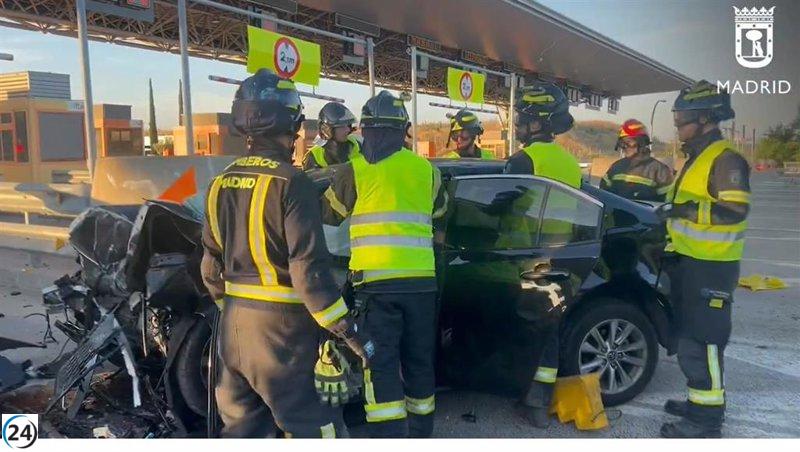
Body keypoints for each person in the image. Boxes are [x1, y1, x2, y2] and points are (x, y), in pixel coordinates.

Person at [201, 69, 371, 438]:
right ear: (289, 123)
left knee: (245, 431)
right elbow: (308, 274)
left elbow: (211, 271)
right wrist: (350, 333)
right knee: (318, 429)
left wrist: (236, 314)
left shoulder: (219, 183)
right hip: (284, 336)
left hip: (232, 330)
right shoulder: (292, 183)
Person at [322, 90, 448, 438]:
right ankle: (422, 433)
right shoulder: (427, 170)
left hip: (376, 288)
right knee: (420, 362)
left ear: (365, 129)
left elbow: (328, 215)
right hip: (422, 285)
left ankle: (389, 438)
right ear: (404, 129)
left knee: (380, 365)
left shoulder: (355, 171)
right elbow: (439, 213)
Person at [657, 80, 750, 438]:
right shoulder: (697, 157)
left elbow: (734, 210)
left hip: (712, 266)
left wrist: (682, 208)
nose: (678, 126)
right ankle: (699, 402)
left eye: (682, 120)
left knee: (704, 340)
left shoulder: (726, 159)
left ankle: (706, 420)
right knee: (688, 338)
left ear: (705, 118)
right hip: (691, 262)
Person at [503, 81, 581, 429]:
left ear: (539, 122)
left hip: (528, 260)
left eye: (523, 119)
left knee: (529, 330)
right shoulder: (570, 163)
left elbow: (506, 211)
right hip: (563, 258)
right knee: (549, 330)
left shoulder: (523, 160)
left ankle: (530, 402)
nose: (519, 125)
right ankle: (539, 399)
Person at [600, 119, 674, 201]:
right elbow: (602, 195)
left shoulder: (660, 171)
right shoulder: (616, 167)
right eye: (622, 143)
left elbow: (667, 204)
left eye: (628, 142)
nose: (625, 147)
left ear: (642, 143)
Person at [302, 102, 362, 170]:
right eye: (342, 126)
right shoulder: (313, 156)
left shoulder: (359, 146)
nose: (347, 130)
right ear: (327, 129)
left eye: (348, 125)